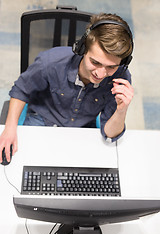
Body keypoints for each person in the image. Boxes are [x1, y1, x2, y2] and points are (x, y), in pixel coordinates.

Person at [0, 12, 134, 163]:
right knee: (21, 165)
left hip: (82, 129)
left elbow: (110, 134)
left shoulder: (120, 78)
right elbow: (21, 90)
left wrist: (121, 110)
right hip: (42, 120)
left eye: (111, 67)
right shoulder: (51, 62)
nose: (101, 74)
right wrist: (9, 129)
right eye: (95, 62)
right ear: (83, 49)